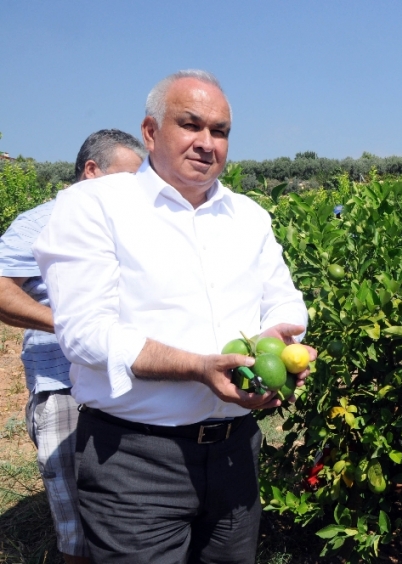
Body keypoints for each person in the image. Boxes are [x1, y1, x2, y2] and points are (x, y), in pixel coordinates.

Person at [32, 70, 314, 563]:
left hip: (236, 454)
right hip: (136, 461)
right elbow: (83, 333)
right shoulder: (94, 207)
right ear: (150, 132)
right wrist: (197, 367)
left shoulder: (249, 217)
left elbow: (286, 302)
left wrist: (279, 347)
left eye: (220, 131)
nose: (207, 143)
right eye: (190, 124)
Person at [0, 129, 146, 564]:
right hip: (62, 384)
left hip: (120, 384)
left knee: (123, 511)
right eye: (125, 179)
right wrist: (68, 325)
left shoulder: (125, 228)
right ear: (91, 171)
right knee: (75, 523)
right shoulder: (41, 221)